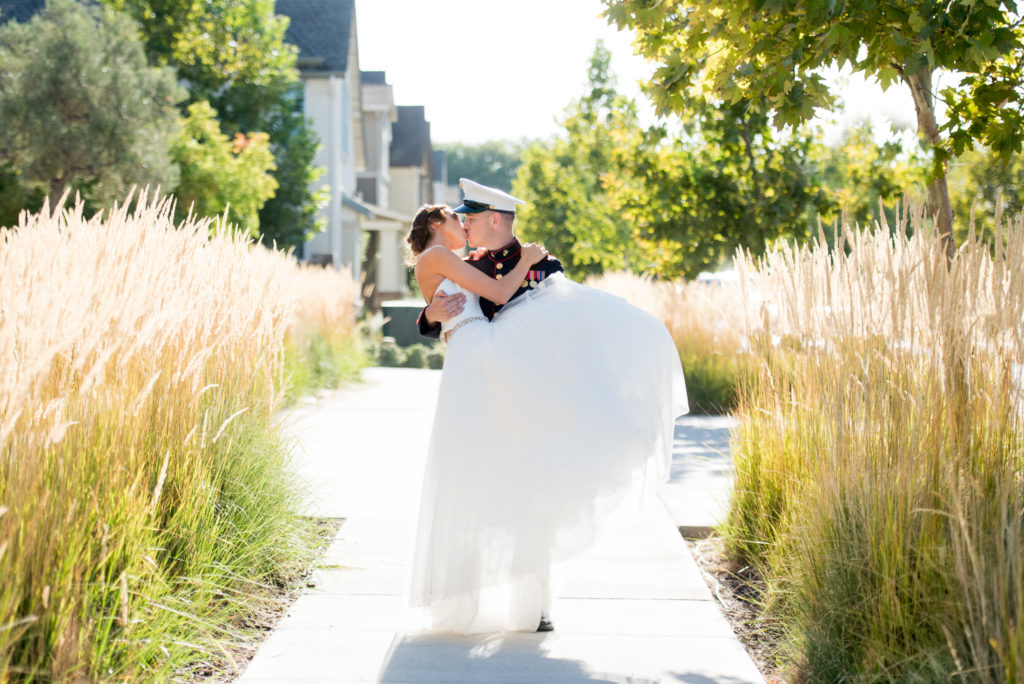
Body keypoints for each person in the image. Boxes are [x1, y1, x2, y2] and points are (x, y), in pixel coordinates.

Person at [406, 178, 688, 635]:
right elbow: (456, 297)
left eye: (472, 218)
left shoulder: (542, 263)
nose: (466, 225)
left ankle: (534, 606)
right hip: (487, 378)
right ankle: (466, 594)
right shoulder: (469, 260)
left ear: (496, 219)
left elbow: (564, 319)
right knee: (478, 479)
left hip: (532, 392)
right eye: (461, 218)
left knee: (533, 486)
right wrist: (428, 316)